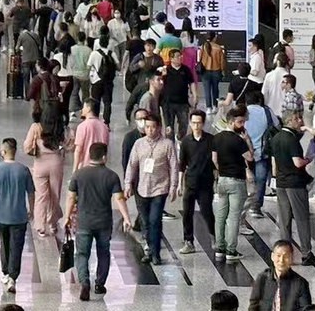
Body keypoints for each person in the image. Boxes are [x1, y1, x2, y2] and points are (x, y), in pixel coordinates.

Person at [66, 142, 132, 301]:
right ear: (104, 157)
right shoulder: (111, 176)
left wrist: (67, 217)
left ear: (89, 155)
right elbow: (119, 199)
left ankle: (84, 283)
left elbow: (71, 197)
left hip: (84, 221)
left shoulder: (78, 175)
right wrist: (126, 218)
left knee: (82, 254)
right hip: (104, 222)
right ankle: (99, 284)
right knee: (103, 252)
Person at [270, 111, 315, 266]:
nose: (300, 121)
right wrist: (309, 159)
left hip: (281, 182)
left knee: (284, 220)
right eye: (297, 118)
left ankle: (285, 252)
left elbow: (274, 165)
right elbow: (297, 163)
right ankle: (306, 253)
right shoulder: (291, 139)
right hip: (295, 183)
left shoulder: (276, 138)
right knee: (301, 218)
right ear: (289, 121)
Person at [124, 111, 177, 264]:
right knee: (145, 221)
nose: (150, 130)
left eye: (153, 127)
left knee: (155, 220)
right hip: (142, 187)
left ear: (159, 127)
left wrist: (173, 186)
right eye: (147, 127)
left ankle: (156, 253)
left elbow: (174, 166)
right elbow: (132, 165)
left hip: (160, 188)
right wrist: (128, 184)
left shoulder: (167, 144)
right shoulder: (138, 144)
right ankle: (149, 248)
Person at [0, 138, 35, 294]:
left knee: (4, 244)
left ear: (3, 151)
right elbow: (31, 193)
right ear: (15, 151)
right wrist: (32, 210)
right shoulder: (24, 170)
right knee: (17, 247)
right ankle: (13, 276)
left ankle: (6, 273)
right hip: (19, 216)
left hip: (2, 216)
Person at [212, 106, 253, 262]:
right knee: (234, 217)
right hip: (237, 181)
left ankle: (219, 248)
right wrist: (247, 140)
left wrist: (221, 170)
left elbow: (214, 159)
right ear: (231, 122)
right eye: (240, 122)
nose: (242, 125)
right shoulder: (238, 140)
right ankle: (231, 250)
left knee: (220, 215)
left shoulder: (216, 138)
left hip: (222, 180)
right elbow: (250, 157)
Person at [177, 110, 215, 254]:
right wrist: (179, 184)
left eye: (198, 123)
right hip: (190, 182)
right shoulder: (186, 141)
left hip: (206, 183)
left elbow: (215, 162)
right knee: (187, 213)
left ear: (203, 123)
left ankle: (213, 236)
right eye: (193, 123)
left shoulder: (211, 140)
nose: (196, 126)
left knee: (207, 211)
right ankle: (188, 241)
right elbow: (182, 164)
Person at [24, 112, 64, 238]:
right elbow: (70, 144)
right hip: (56, 163)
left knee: (41, 196)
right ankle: (52, 223)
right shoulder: (60, 127)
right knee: (55, 195)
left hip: (40, 164)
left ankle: (40, 226)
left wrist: (35, 151)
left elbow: (27, 147)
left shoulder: (36, 127)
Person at [248, 239, 312, 311]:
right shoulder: (262, 278)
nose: (281, 260)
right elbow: (253, 305)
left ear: (291, 258)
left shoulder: (301, 283)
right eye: (278, 255)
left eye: (286, 256)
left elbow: (305, 309)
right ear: (272, 256)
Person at [162, 49, 197, 140]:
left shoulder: (186, 69)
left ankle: (180, 139)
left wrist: (195, 95)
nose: (180, 57)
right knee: (169, 127)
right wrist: (162, 76)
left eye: (181, 56)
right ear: (171, 58)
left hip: (183, 102)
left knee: (184, 124)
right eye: (177, 56)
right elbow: (158, 83)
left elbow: (191, 82)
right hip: (168, 103)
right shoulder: (166, 70)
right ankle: (170, 143)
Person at [87, 33, 118, 125]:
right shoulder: (112, 53)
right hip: (108, 81)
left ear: (99, 43)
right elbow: (119, 66)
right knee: (107, 103)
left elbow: (88, 66)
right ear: (108, 43)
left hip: (96, 81)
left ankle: (95, 120)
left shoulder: (94, 53)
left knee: (95, 101)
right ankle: (106, 122)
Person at [72, 98, 110, 171]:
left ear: (89, 109)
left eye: (84, 107)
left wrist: (75, 169)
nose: (82, 109)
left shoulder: (82, 126)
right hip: (100, 167)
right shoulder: (104, 127)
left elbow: (78, 150)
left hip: (85, 167)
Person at [199, 32, 226, 114]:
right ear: (214, 38)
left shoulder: (203, 47)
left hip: (205, 71)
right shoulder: (218, 48)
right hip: (216, 71)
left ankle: (208, 108)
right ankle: (215, 106)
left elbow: (199, 59)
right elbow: (222, 61)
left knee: (207, 90)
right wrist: (223, 70)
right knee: (215, 89)